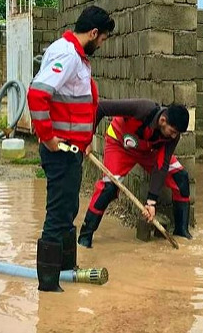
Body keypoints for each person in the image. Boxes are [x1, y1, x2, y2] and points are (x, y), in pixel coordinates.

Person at [27, 6, 115, 293]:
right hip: (60, 151)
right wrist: (49, 138)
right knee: (57, 215)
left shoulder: (75, 55)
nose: (102, 44)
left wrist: (85, 141)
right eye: (102, 38)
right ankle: (49, 285)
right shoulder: (66, 55)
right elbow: (38, 95)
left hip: (73, 150)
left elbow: (77, 104)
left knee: (68, 211)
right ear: (93, 33)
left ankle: (65, 271)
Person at [77, 99, 192, 249]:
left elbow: (161, 165)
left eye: (176, 134)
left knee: (181, 179)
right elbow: (101, 107)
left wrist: (151, 202)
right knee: (108, 189)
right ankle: (85, 237)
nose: (173, 136)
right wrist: (87, 138)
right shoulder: (142, 109)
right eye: (172, 132)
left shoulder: (173, 136)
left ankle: (182, 233)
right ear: (163, 120)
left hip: (148, 152)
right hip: (119, 144)